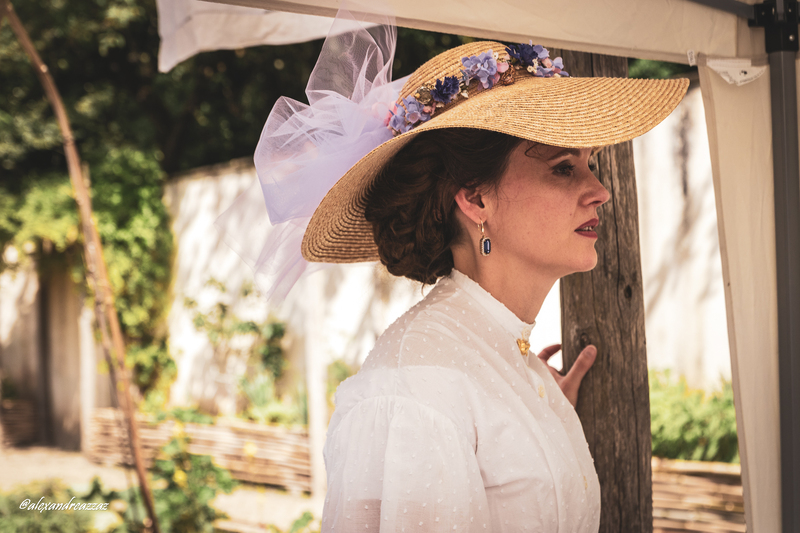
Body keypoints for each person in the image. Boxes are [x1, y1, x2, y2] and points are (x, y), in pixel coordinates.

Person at [218, 10, 688, 533]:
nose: (600, 190)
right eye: (563, 167)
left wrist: (531, 418)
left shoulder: (504, 360)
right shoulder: (417, 387)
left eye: (590, 163)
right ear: (476, 197)